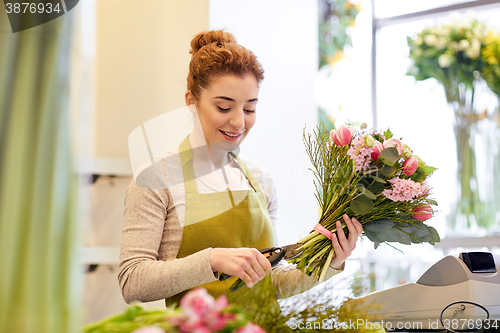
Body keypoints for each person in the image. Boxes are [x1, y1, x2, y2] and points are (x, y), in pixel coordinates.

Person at [118, 30, 363, 307]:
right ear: (191, 99)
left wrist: (332, 261)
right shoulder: (157, 178)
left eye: (249, 109)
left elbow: (270, 281)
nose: (238, 122)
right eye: (224, 107)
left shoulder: (260, 182)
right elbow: (132, 281)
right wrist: (213, 259)